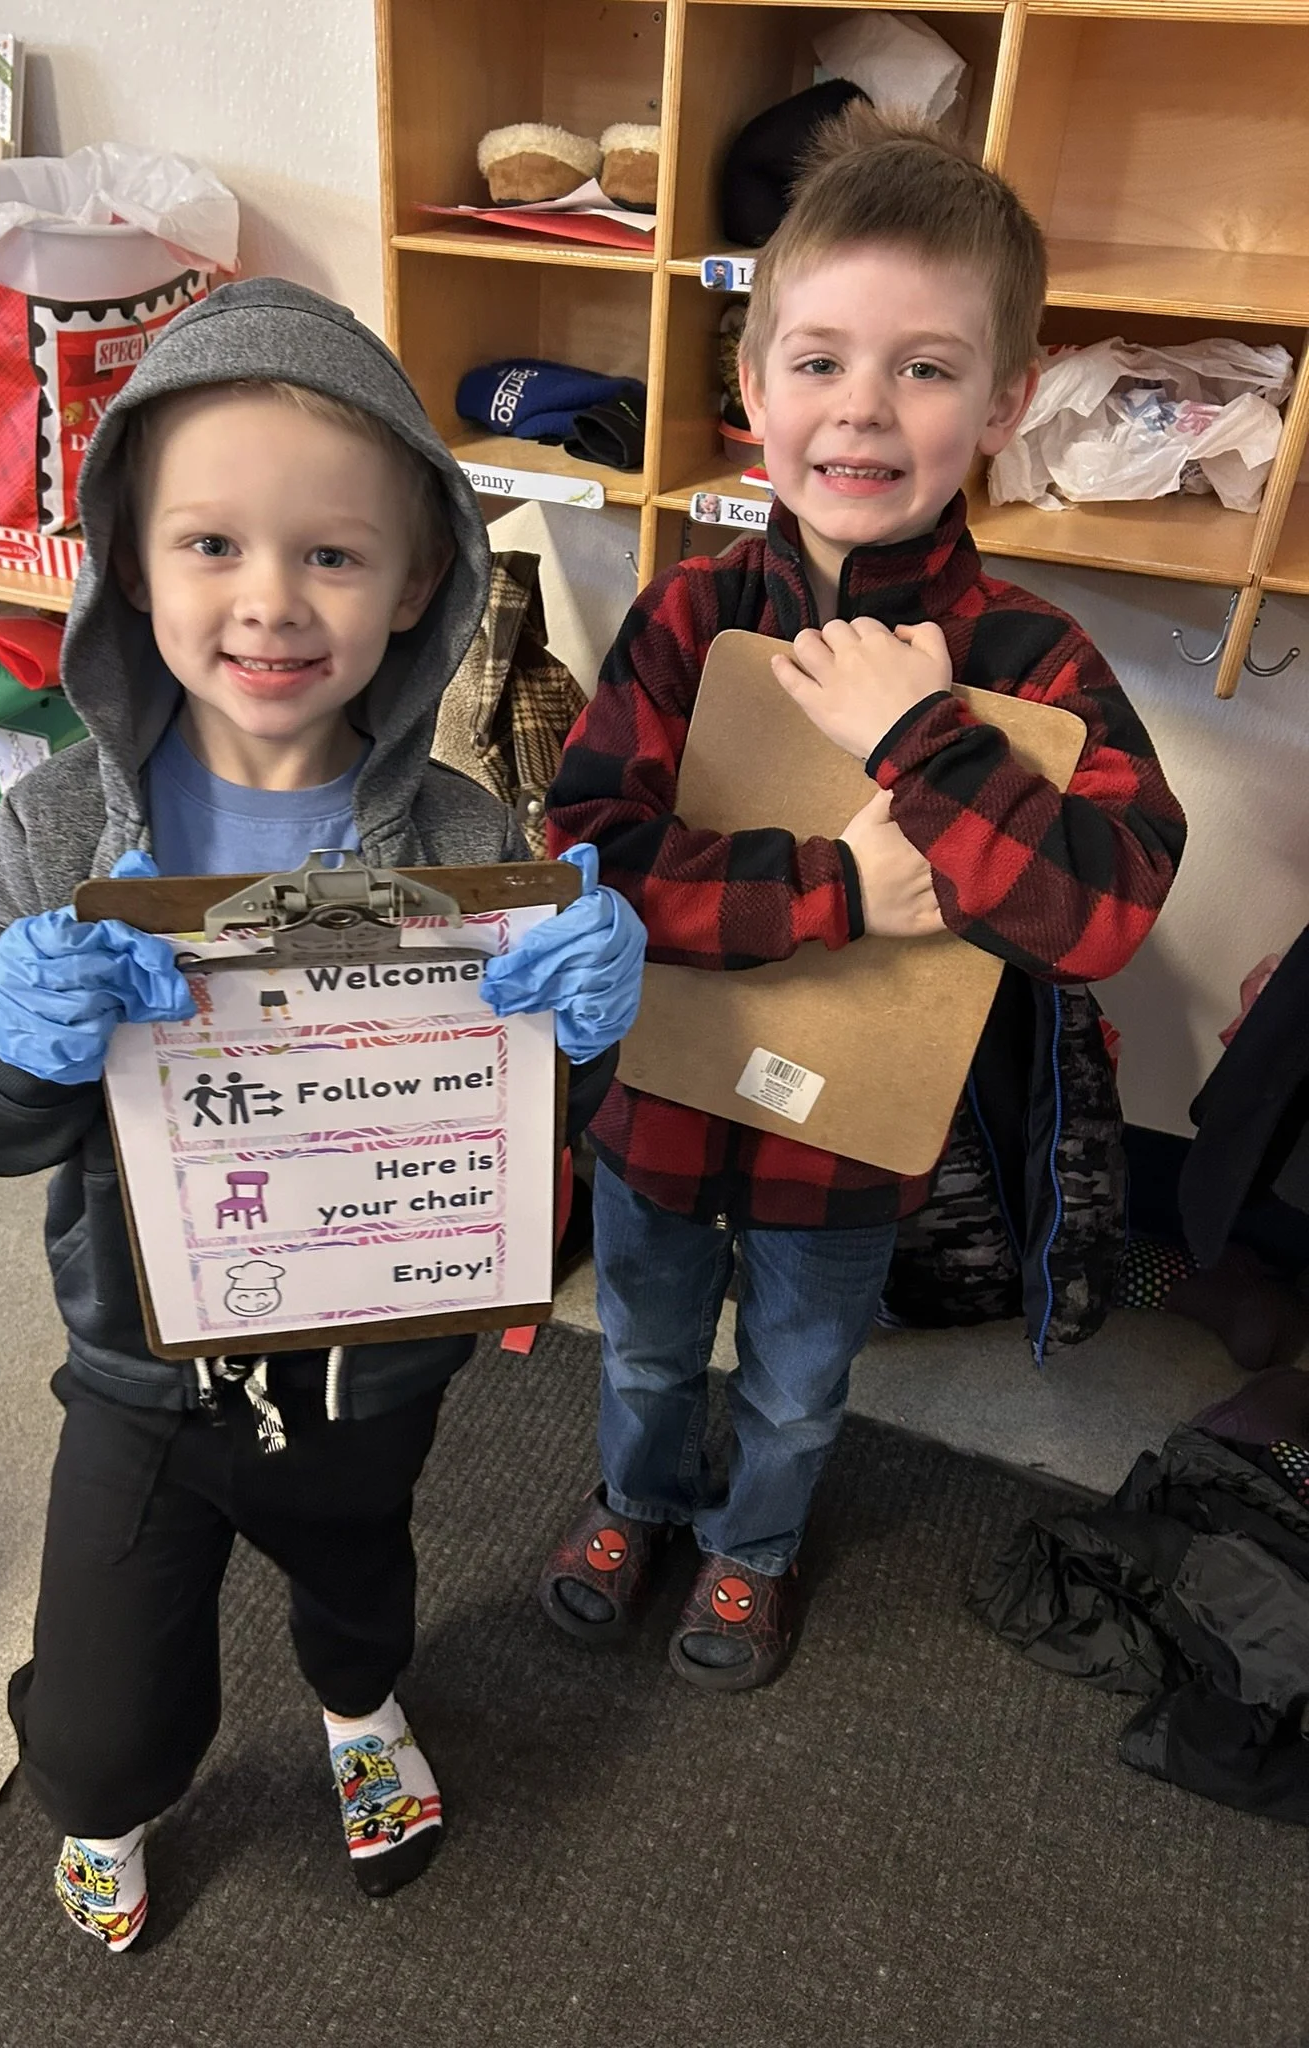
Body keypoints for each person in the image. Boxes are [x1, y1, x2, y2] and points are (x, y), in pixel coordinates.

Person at [0, 278, 646, 1949]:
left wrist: (592, 1035)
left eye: (331, 553)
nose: (271, 602)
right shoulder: (54, 836)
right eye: (212, 546)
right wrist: (25, 1045)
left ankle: (357, 1708)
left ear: (418, 585)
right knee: (101, 1737)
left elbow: (521, 1112)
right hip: (135, 1362)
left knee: (359, 1580)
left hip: (379, 1346)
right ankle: (107, 1791)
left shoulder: (462, 825)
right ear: (129, 562)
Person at [537, 106, 1186, 1693]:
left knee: (804, 1373)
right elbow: (593, 856)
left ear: (1005, 400)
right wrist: (837, 887)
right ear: (750, 386)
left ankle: (754, 1545)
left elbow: (1104, 908)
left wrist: (921, 740)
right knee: (639, 1338)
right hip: (660, 1108)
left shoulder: (1027, 662)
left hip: (855, 1129)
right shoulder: (692, 615)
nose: (865, 410)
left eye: (927, 367)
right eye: (819, 360)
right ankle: (639, 1498)